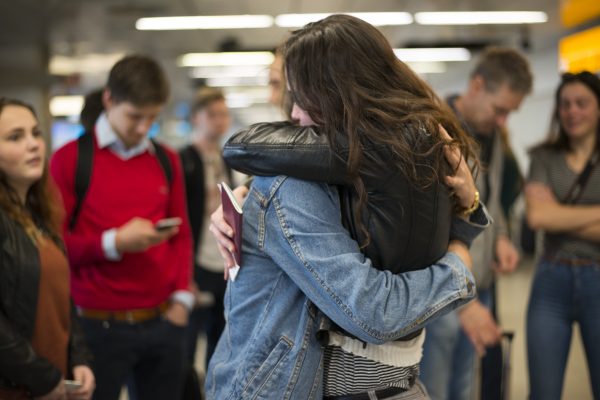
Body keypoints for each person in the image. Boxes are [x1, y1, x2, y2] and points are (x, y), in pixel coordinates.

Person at [205, 15, 491, 399]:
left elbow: (421, 241)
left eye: (301, 97)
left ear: (337, 93)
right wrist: (458, 267)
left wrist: (469, 206)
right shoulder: (290, 183)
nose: (293, 114)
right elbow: (372, 312)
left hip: (394, 385)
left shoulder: (405, 158)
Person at [50, 55, 193, 400]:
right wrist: (113, 242)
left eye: (152, 117)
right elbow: (54, 247)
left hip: (162, 320)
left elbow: (182, 235)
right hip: (97, 326)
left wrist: (182, 300)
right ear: (109, 100)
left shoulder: (166, 159)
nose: (143, 127)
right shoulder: (69, 160)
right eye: (134, 116)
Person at [418, 47, 532, 400]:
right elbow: (428, 227)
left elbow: (491, 199)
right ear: (477, 85)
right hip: (445, 297)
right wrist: (463, 303)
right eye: (500, 110)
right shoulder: (435, 132)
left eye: (509, 114)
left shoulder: (492, 135)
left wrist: (500, 237)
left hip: (479, 287)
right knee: (435, 390)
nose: (502, 122)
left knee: (465, 389)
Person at [0, 98, 95, 399]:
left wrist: (78, 358)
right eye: (15, 137)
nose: (33, 145)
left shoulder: (36, 212)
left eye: (36, 133)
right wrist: (42, 376)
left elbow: (60, 297)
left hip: (53, 381)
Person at [525, 71, 600, 400]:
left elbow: (551, 216)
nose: (572, 111)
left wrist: (561, 216)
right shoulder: (543, 157)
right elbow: (538, 215)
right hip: (550, 281)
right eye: (565, 104)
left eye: (582, 103)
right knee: (543, 392)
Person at [180, 88, 233, 369]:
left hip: (223, 262)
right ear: (196, 117)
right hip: (195, 262)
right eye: (212, 114)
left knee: (221, 340)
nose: (219, 121)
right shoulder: (184, 159)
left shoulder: (228, 159)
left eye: (223, 114)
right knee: (188, 344)